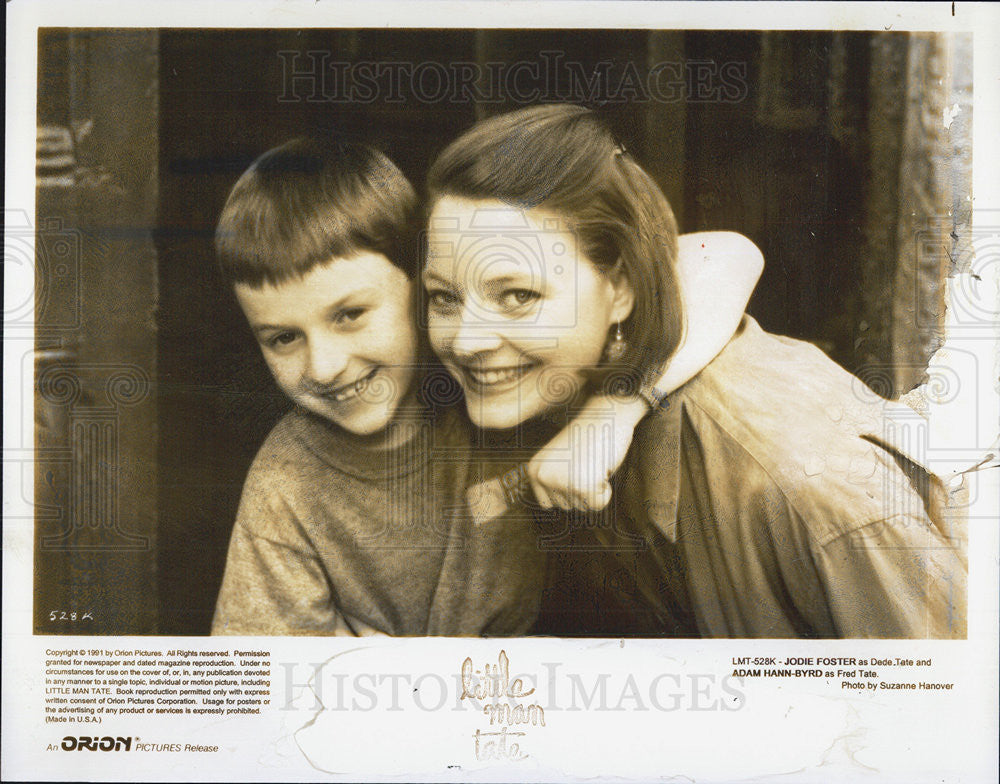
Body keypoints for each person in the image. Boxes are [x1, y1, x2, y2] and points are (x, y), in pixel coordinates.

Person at [423, 103, 967, 639]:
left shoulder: (798, 488)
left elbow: (953, 704)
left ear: (623, 288)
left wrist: (618, 405)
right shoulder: (546, 388)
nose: (467, 341)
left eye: (518, 295)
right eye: (443, 298)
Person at [210, 135, 763, 636]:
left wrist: (610, 414)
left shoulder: (489, 377)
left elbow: (726, 254)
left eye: (350, 314)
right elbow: (259, 693)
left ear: (423, 285)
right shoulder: (288, 482)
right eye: (282, 338)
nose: (325, 366)